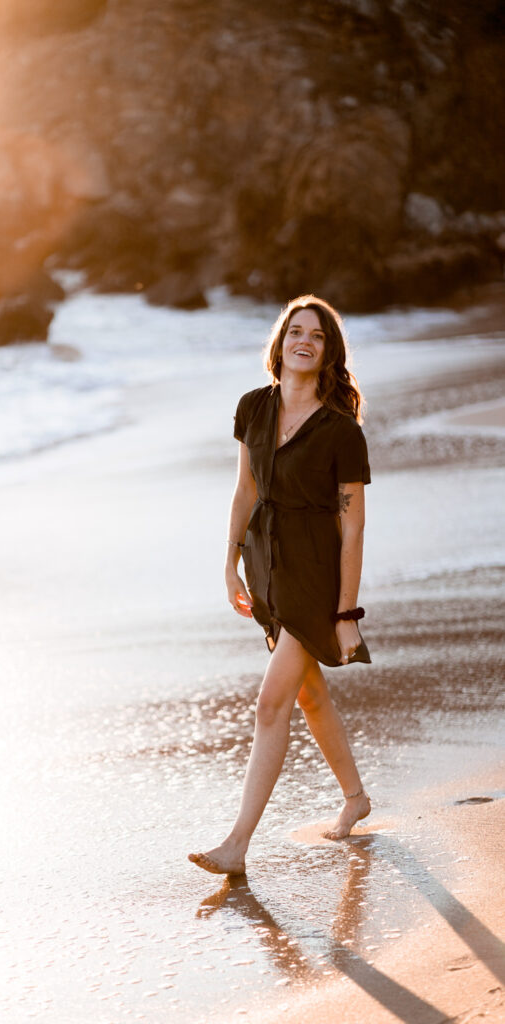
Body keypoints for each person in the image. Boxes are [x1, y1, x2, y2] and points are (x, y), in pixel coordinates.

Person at [189, 295, 372, 876]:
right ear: (280, 342)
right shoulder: (254, 409)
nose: (305, 341)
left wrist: (346, 612)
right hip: (267, 566)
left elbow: (353, 525)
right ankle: (355, 798)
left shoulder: (342, 433)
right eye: (296, 331)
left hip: (317, 574)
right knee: (308, 693)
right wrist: (230, 562)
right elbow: (245, 491)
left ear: (328, 352)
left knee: (272, 704)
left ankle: (237, 844)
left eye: (317, 336)